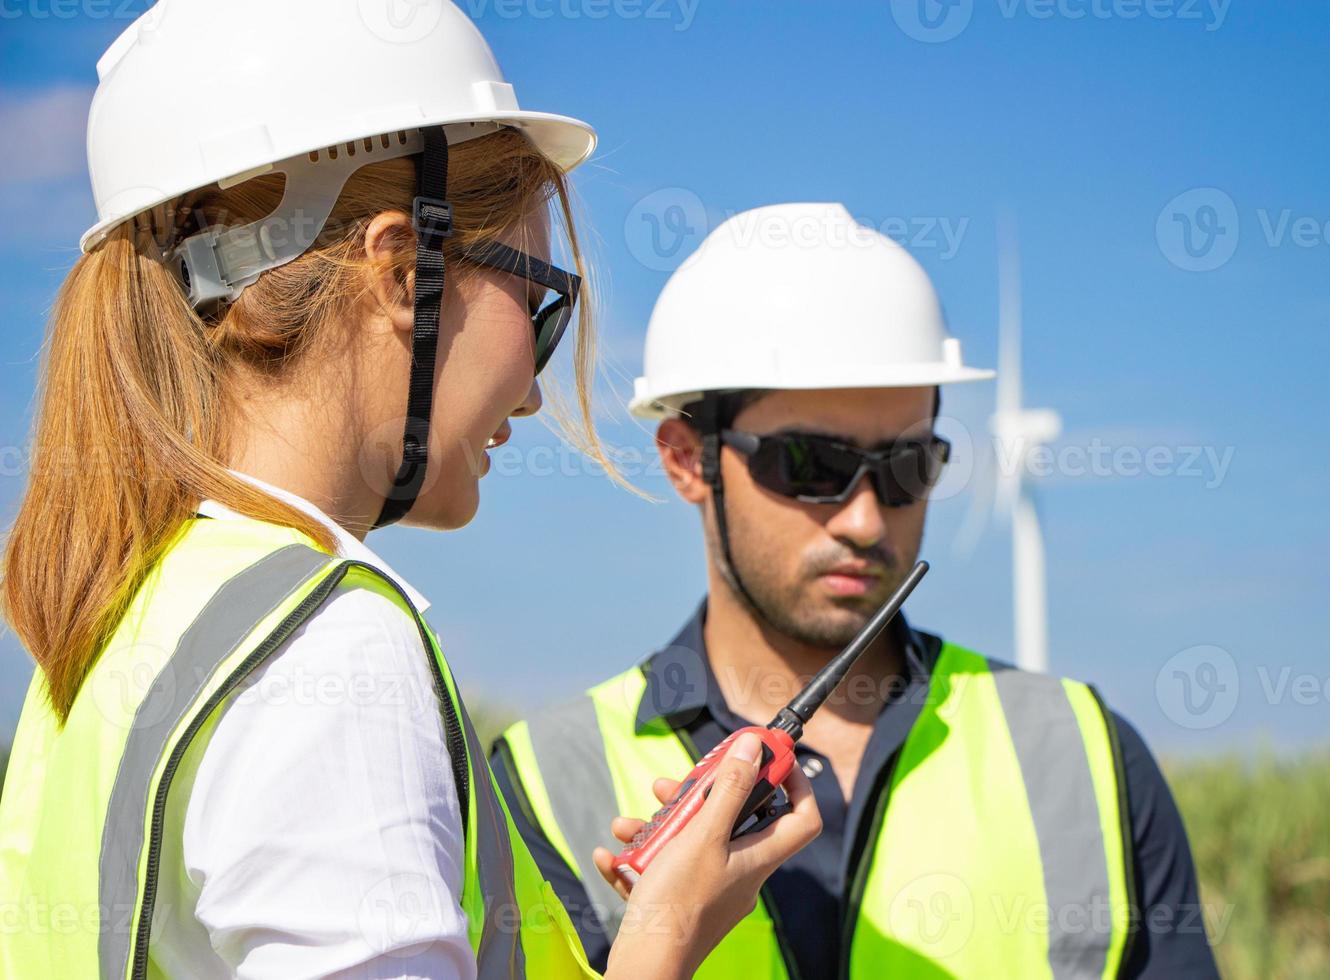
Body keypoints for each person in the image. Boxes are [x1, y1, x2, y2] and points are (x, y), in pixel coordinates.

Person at [0, 5, 818, 978]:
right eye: (539, 299)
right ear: (400, 271)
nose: (535, 381)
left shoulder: (123, 623)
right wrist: (664, 939)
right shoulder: (322, 644)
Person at [492, 203, 1222, 978]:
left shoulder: (1085, 755)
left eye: (909, 466)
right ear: (684, 460)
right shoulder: (541, 784)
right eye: (810, 465)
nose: (868, 519)